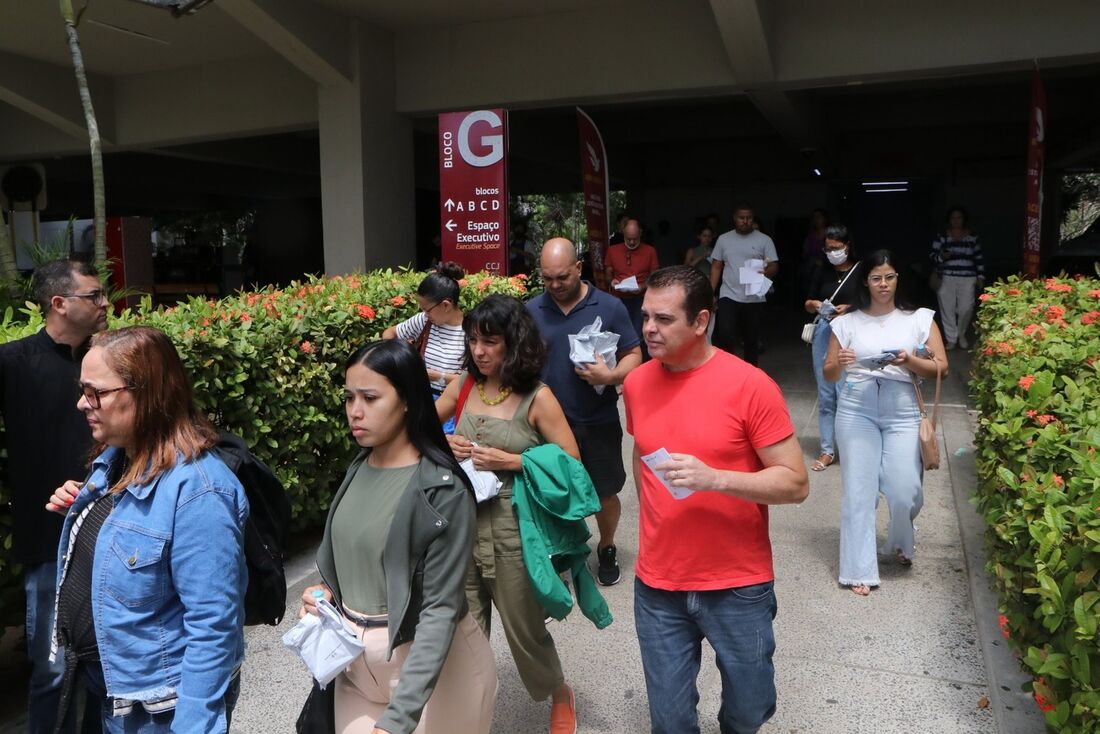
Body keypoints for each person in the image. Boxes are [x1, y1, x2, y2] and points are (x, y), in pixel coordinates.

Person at [623, 265, 808, 734]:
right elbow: (641, 454)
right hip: (658, 584)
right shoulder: (637, 383)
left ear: (701, 321)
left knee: (748, 711)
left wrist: (716, 479)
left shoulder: (750, 386)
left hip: (737, 584)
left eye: (664, 319)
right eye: (646, 316)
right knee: (669, 720)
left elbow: (795, 482)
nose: (649, 328)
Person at [46, 326, 248, 732]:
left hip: (158, 711)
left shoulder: (199, 491)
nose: (82, 404)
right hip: (107, 691)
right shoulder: (116, 460)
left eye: (95, 392)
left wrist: (194, 724)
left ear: (147, 393)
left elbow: (214, 625)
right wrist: (86, 512)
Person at [301, 340, 497, 734]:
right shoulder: (359, 466)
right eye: (349, 397)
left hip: (438, 670)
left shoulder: (443, 491)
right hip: (356, 666)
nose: (355, 411)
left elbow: (439, 610)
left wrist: (398, 719)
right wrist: (324, 591)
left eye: (370, 398)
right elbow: (353, 554)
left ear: (407, 399)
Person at [435, 295, 582, 734]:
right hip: (460, 527)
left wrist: (513, 461)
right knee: (464, 628)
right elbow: (418, 426)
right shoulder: (464, 384)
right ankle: (468, 709)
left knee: (524, 629)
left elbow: (573, 465)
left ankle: (559, 691)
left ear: (513, 343)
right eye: (474, 340)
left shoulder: (538, 397)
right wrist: (443, 444)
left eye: (491, 342)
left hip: (514, 529)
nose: (479, 351)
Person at [0, 259, 106, 734]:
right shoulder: (12, 362)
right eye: (94, 295)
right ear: (59, 304)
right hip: (48, 544)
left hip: (116, 535)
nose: (105, 303)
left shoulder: (111, 359)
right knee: (53, 669)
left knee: (107, 669)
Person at [823, 250, 949, 596]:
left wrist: (909, 360)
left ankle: (899, 540)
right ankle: (858, 570)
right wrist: (842, 361)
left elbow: (942, 366)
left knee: (903, 488)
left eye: (889, 277)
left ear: (898, 279)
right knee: (859, 492)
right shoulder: (845, 322)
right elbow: (829, 373)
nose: (883, 284)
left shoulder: (919, 318)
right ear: (866, 281)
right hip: (856, 408)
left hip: (903, 409)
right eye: (876, 278)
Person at [527, 239, 642, 586]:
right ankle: (561, 553)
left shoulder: (608, 307)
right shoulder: (531, 310)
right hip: (546, 424)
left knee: (605, 492)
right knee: (552, 494)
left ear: (578, 268)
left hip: (597, 419)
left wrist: (611, 376)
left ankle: (606, 545)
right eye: (547, 278)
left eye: (561, 277)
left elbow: (634, 355)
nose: (554, 286)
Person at [382, 263, 467, 432]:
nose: (425, 314)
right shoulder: (424, 321)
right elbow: (389, 333)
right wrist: (399, 355)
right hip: (421, 399)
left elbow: (472, 380)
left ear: (446, 305)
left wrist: (436, 376)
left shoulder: (470, 332)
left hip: (453, 407)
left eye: (428, 310)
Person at [803, 225, 860, 472]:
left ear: (847, 245)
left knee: (848, 392)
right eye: (828, 249)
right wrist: (815, 304)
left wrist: (849, 307)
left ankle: (853, 448)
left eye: (836, 248)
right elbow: (807, 302)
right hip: (825, 334)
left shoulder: (861, 271)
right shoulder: (821, 270)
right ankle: (827, 449)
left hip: (852, 335)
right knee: (826, 395)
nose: (832, 253)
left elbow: (871, 303)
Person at [710, 205, 778, 366]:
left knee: (751, 338)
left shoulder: (764, 239)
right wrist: (710, 292)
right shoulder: (724, 239)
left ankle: (750, 372)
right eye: (741, 218)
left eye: (749, 218)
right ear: (735, 218)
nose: (745, 221)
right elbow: (716, 266)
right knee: (725, 333)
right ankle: (728, 368)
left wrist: (764, 273)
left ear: (753, 219)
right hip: (729, 294)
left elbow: (774, 265)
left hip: (754, 296)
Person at [930, 206, 985, 349]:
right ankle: (952, 340)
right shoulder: (942, 236)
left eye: (959, 217)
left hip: (968, 278)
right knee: (947, 309)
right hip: (946, 277)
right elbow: (932, 256)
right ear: (949, 220)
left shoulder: (972, 236)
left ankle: (961, 334)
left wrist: (981, 276)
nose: (956, 220)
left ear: (964, 219)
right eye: (953, 218)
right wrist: (942, 256)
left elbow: (978, 257)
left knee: (966, 308)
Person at [605, 218, 659, 352]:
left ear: (640, 233)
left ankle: (638, 366)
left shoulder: (650, 251)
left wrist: (643, 286)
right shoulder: (612, 250)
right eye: (628, 239)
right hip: (618, 299)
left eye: (635, 238)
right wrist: (612, 281)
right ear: (623, 234)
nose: (632, 242)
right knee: (617, 334)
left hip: (641, 299)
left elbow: (655, 276)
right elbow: (607, 273)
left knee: (639, 335)